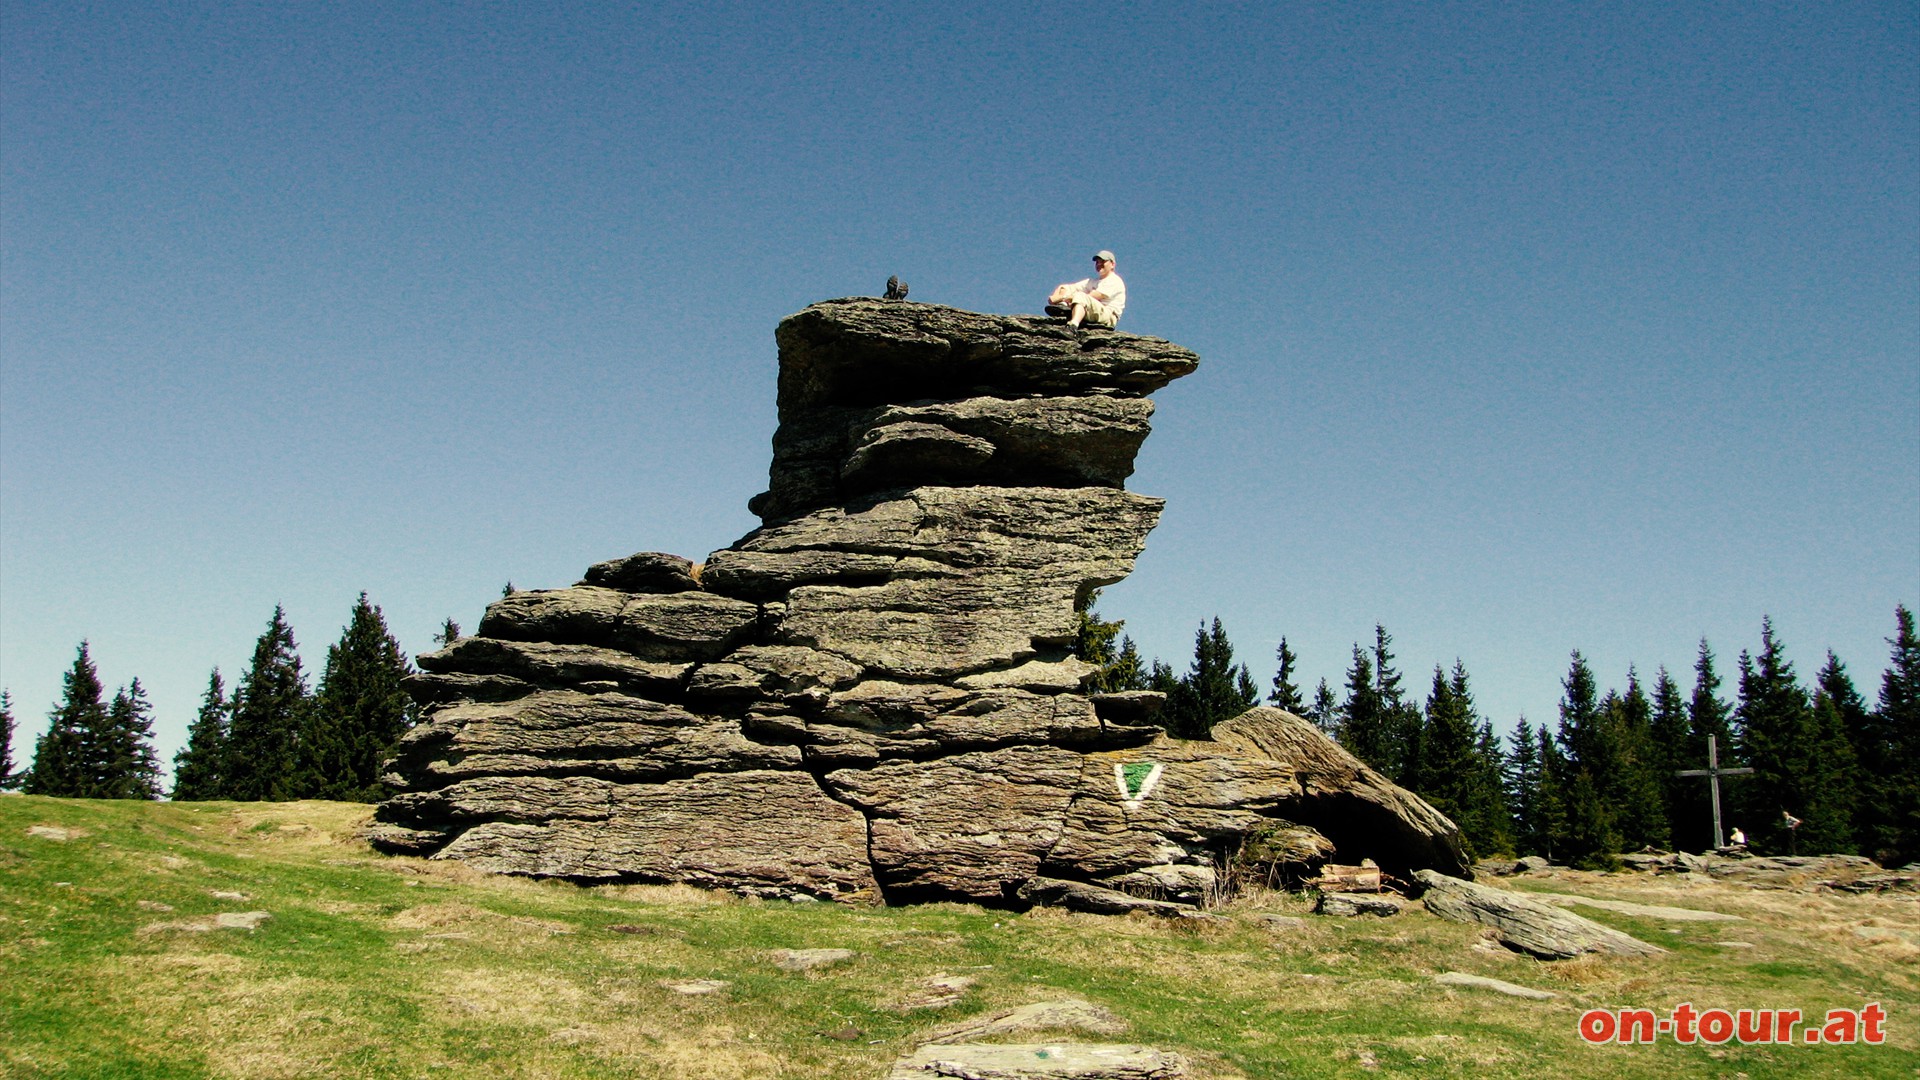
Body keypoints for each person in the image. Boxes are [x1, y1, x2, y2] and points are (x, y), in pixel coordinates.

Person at [1047, 250, 1127, 328]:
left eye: (1103, 261)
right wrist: (1058, 295)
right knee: (1071, 291)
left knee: (1080, 296)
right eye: (1097, 262)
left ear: (1112, 264)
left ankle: (1073, 325)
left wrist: (1063, 298)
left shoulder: (1114, 280)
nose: (1099, 264)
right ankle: (1063, 308)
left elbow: (1094, 296)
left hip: (1108, 316)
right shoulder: (1092, 281)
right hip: (1094, 312)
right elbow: (1067, 287)